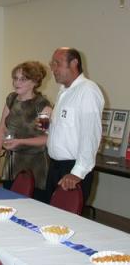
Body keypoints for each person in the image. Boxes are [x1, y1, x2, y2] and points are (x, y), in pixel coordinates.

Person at [46, 47, 104, 203]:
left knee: (66, 224)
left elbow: (90, 134)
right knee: (49, 221)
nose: (53, 69)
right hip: (55, 168)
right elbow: (68, 131)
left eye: (57, 63)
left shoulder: (88, 90)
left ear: (74, 63)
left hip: (72, 170)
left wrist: (77, 173)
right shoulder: (64, 91)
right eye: (52, 64)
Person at [0, 61, 52, 201]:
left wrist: (20, 142)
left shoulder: (42, 106)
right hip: (12, 165)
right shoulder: (11, 99)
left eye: (22, 79)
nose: (17, 82)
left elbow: (46, 139)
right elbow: (2, 127)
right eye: (15, 78)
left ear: (34, 82)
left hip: (35, 167)